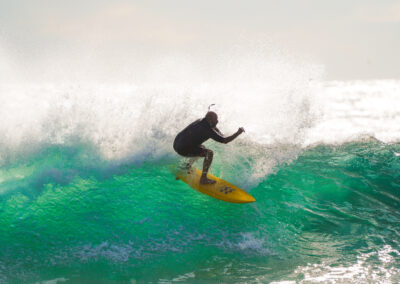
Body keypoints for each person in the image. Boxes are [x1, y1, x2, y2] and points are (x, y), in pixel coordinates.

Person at [173, 111, 244, 184]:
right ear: (210, 120)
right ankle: (203, 179)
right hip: (182, 149)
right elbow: (224, 140)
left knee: (201, 148)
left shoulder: (200, 120)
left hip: (176, 144)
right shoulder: (207, 130)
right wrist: (237, 133)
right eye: (215, 120)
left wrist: (220, 133)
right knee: (209, 153)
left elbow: (214, 128)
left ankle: (187, 167)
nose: (217, 121)